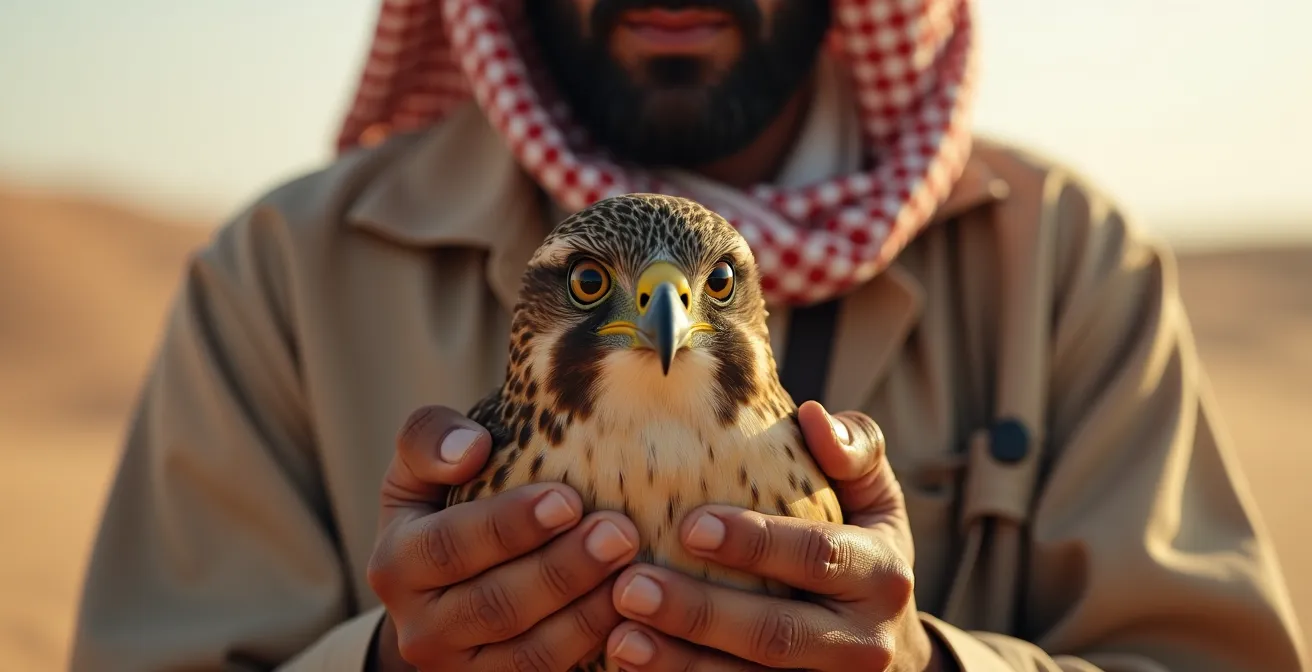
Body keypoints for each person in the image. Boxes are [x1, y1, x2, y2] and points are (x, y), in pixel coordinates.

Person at [70, 0, 1306, 670]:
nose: (661, 320)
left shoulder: (1067, 259)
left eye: (708, 292)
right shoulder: (283, 273)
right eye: (601, 291)